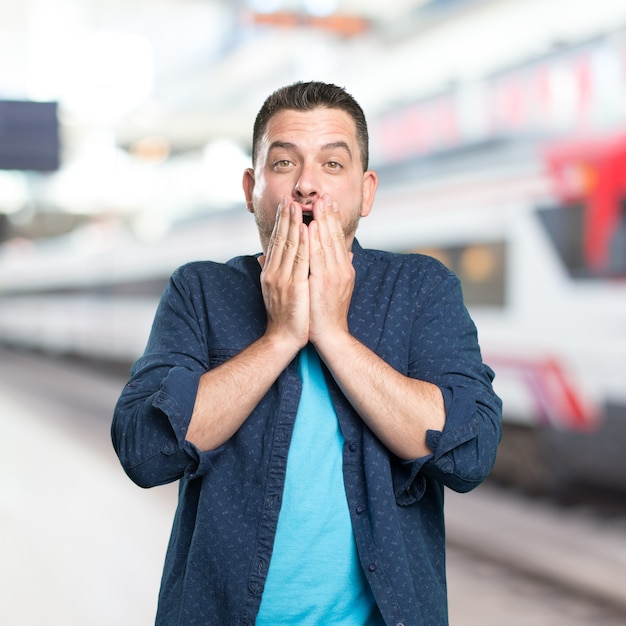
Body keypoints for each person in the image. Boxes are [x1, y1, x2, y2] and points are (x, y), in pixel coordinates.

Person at [112, 81, 502, 626]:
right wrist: (281, 336)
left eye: (333, 164)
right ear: (252, 188)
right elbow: (145, 450)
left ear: (366, 192)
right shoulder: (199, 292)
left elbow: (469, 454)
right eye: (283, 162)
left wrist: (334, 335)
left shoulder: (421, 290)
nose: (307, 185)